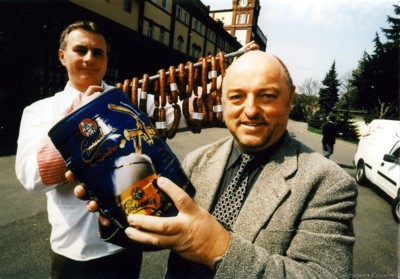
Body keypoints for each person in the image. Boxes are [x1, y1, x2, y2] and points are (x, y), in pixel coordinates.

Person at [74, 50, 358, 278]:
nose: (250, 111)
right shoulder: (198, 160)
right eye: (236, 97)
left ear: (290, 99)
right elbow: (164, 231)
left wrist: (217, 248)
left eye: (267, 96)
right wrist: (116, 219)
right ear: (222, 101)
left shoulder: (328, 182)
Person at [15, 20, 143, 279]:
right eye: (80, 50)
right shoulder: (39, 110)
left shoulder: (127, 100)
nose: (89, 58)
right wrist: (80, 117)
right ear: (62, 56)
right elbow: (32, 178)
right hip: (75, 254)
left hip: (128, 243)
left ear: (106, 59)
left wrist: (243, 63)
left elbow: (187, 106)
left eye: (98, 52)